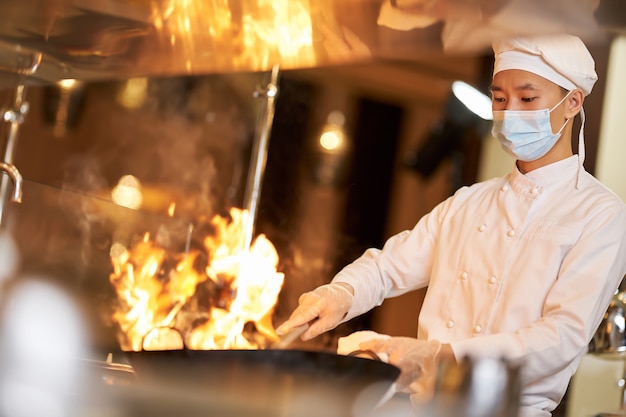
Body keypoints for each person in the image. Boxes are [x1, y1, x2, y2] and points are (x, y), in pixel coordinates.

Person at [276, 33, 626, 417]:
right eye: (499, 98)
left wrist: (442, 357)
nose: (510, 112)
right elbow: (387, 267)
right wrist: (339, 294)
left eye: (527, 99)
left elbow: (561, 337)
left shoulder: (600, 213)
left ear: (572, 102)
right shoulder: (469, 202)